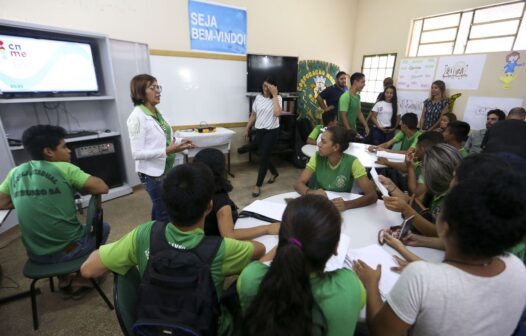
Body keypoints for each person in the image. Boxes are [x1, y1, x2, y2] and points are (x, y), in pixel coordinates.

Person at [80, 163, 265, 335]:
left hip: (152, 326)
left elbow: (88, 269)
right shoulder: (221, 249)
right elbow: (260, 250)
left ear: (166, 205)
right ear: (209, 206)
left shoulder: (145, 233)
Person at [353, 174, 526, 336]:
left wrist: (371, 284)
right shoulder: (517, 268)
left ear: (445, 226)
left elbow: (380, 331)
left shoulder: (421, 278)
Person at [0, 125, 109, 290]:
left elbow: (1, 202)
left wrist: (32, 196)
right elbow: (102, 187)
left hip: (35, 255)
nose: (69, 151)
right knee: (105, 227)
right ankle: (81, 279)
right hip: (69, 251)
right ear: (49, 152)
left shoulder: (15, 172)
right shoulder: (64, 168)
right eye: (64, 147)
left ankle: (63, 278)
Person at [238, 194, 365, 336]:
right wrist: (370, 283)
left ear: (281, 237)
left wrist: (282, 247)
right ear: (336, 248)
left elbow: (257, 269)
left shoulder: (250, 278)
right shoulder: (349, 287)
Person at [127, 74, 194, 223]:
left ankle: (154, 234)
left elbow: (167, 139)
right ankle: (163, 242)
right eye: (153, 88)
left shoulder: (159, 113)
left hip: (166, 169)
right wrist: (167, 151)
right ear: (140, 92)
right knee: (165, 212)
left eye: (158, 87)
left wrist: (182, 142)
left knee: (160, 206)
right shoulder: (136, 117)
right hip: (152, 173)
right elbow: (136, 153)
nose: (158, 91)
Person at [193, 148, 280, 239]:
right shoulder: (221, 201)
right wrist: (267, 228)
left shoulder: (194, 189)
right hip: (218, 244)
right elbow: (229, 235)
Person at [380, 144, 462, 236]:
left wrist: (406, 210)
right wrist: (391, 186)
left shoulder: (456, 200)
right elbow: (413, 202)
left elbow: (438, 233)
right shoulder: (435, 188)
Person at [294, 126, 377, 211]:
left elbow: (372, 196)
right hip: (318, 206)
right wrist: (311, 192)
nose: (319, 144)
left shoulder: (353, 162)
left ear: (336, 147)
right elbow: (298, 184)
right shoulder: (317, 157)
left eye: (323, 142)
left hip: (338, 209)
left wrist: (347, 205)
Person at [238, 76, 282, 198]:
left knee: (263, 157)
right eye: (264, 85)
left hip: (272, 132)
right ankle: (274, 172)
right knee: (260, 151)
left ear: (274, 87)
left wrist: (274, 95)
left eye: (268, 86)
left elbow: (278, 113)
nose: (266, 88)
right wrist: (247, 128)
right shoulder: (258, 98)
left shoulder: (278, 98)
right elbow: (253, 115)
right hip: (260, 131)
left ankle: (257, 185)